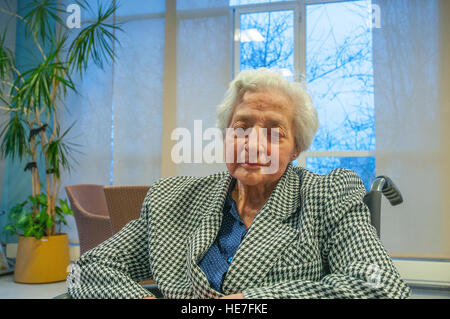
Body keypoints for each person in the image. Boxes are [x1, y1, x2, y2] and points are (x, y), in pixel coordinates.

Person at [67, 68, 410, 299]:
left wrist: (248, 301)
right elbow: (86, 271)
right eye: (241, 127)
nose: (253, 144)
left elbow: (380, 285)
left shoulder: (327, 194)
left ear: (296, 149)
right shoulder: (171, 199)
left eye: (274, 133)